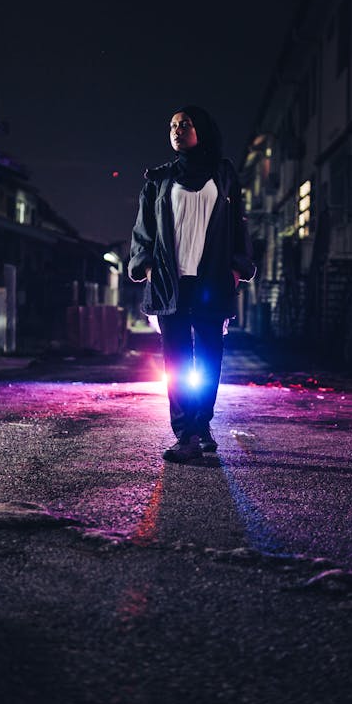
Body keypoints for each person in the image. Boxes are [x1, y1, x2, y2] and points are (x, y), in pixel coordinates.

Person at [128, 105, 256, 462]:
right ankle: (185, 434)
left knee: (210, 358)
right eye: (172, 125)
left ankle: (202, 424)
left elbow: (238, 225)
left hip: (212, 280)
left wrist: (236, 268)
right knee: (177, 361)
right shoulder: (158, 179)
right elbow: (143, 232)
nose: (176, 130)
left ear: (202, 129)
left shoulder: (224, 173)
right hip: (171, 282)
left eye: (185, 124)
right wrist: (147, 267)